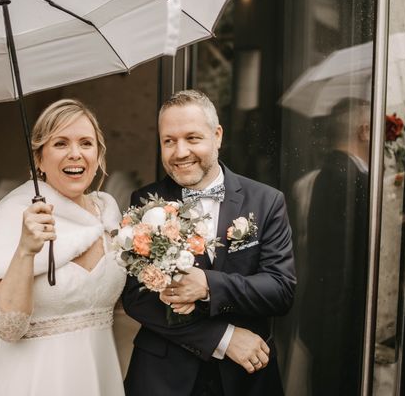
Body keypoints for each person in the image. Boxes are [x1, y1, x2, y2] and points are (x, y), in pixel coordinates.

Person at [122, 89, 296, 396]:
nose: (179, 152)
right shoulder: (147, 204)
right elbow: (138, 298)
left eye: (192, 138)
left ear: (217, 136)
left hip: (247, 377)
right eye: (168, 141)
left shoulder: (267, 201)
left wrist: (208, 285)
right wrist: (223, 338)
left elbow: (280, 290)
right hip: (163, 378)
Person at [0, 99, 126, 396]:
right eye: (60, 143)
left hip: (98, 372)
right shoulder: (14, 216)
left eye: (86, 143)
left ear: (99, 154)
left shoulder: (109, 215)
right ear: (38, 159)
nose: (75, 154)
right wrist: (25, 250)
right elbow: (7, 327)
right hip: (33, 380)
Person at [299, 98, 370, 396]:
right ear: (365, 131)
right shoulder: (350, 179)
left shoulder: (331, 172)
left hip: (325, 316)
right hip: (339, 323)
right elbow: (341, 259)